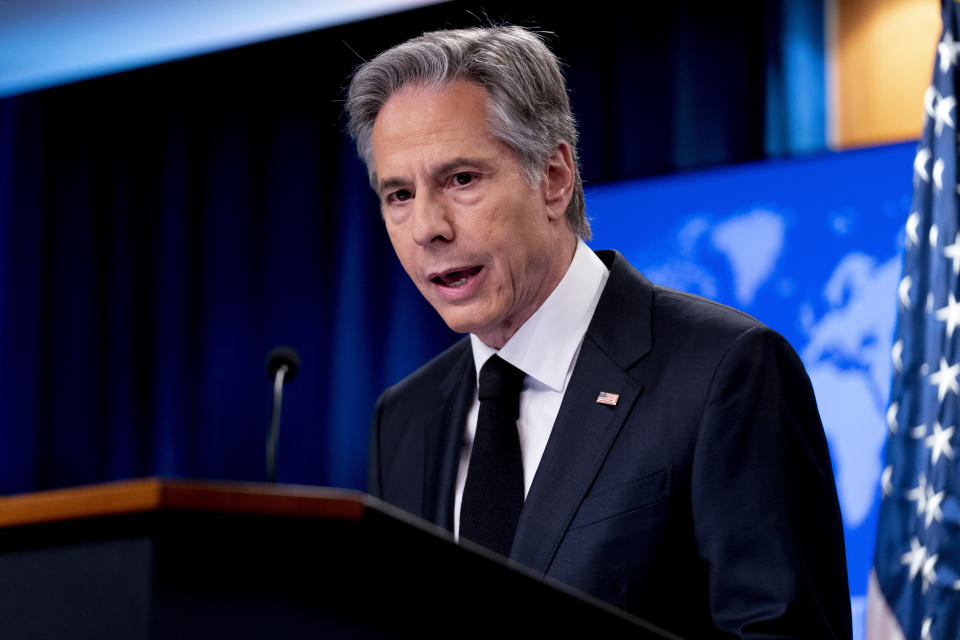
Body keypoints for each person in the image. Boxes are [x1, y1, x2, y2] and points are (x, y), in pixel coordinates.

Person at [346, 25, 852, 638]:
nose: (427, 226)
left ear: (554, 177)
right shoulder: (405, 417)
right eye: (398, 193)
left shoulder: (726, 372)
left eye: (461, 180)